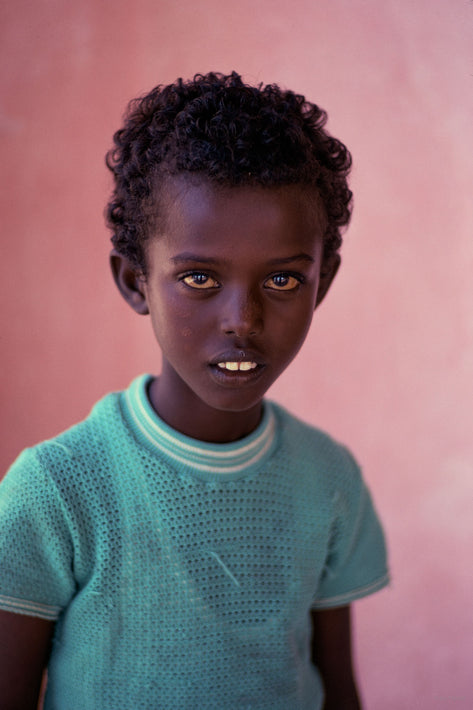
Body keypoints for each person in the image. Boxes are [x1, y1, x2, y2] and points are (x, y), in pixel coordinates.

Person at [0, 71, 389, 710]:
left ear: (323, 282)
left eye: (285, 281)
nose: (243, 318)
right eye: (201, 276)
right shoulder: (57, 490)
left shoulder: (330, 479)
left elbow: (338, 691)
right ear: (135, 281)